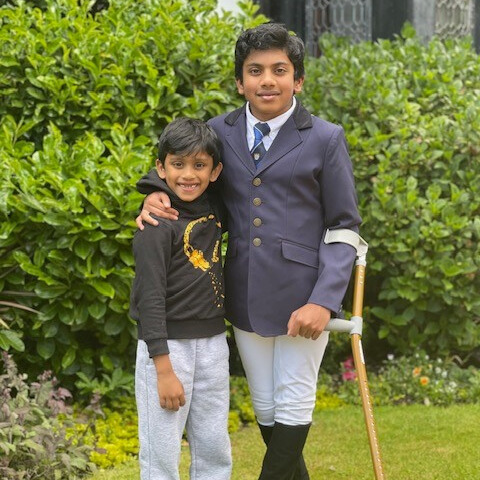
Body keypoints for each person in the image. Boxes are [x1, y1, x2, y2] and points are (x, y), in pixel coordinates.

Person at [136, 23, 362, 480]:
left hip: (305, 295)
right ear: (240, 81)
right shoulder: (220, 131)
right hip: (242, 294)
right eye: (255, 71)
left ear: (297, 79)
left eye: (279, 70)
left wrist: (323, 300)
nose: (267, 80)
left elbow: (344, 227)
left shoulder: (325, 138)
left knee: (294, 396)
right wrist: (153, 191)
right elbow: (188, 171)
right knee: (264, 404)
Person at [130, 117, 231, 480]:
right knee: (162, 451)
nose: (189, 175)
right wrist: (163, 368)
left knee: (214, 446)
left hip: (214, 344)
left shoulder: (216, 208)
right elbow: (149, 299)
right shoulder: (155, 226)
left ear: (215, 171)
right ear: (162, 167)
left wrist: (150, 185)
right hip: (167, 349)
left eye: (199, 165)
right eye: (178, 164)